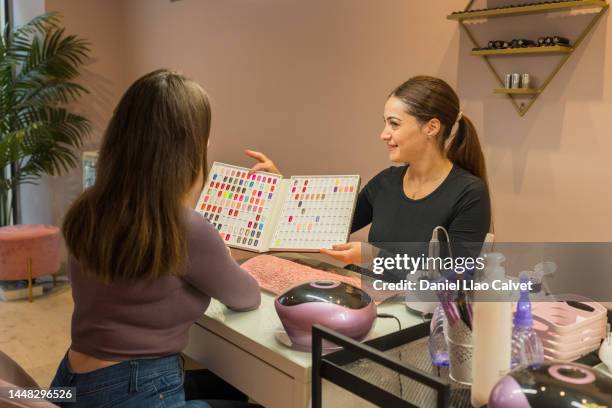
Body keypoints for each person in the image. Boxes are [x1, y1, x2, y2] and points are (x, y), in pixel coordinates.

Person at [51, 70, 262, 408]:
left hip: (73, 384)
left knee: (229, 388)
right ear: (184, 148)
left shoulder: (86, 209)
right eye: (204, 136)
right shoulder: (184, 227)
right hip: (135, 388)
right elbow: (246, 296)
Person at [246, 75, 491, 266]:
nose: (383, 134)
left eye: (394, 123)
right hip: (374, 304)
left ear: (432, 127)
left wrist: (374, 256)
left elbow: (455, 274)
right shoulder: (386, 182)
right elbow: (321, 227)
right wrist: (281, 188)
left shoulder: (469, 194)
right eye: (385, 123)